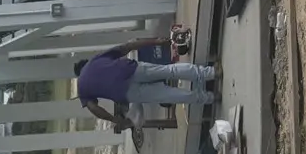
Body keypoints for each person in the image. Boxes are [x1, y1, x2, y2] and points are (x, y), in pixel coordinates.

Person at [74, 40, 217, 131]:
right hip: (132, 69)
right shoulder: (94, 60)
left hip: (127, 92)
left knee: (168, 94)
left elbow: (94, 108)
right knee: (170, 71)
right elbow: (127, 46)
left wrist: (114, 119)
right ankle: (211, 73)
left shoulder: (82, 89)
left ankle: (210, 98)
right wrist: (156, 41)